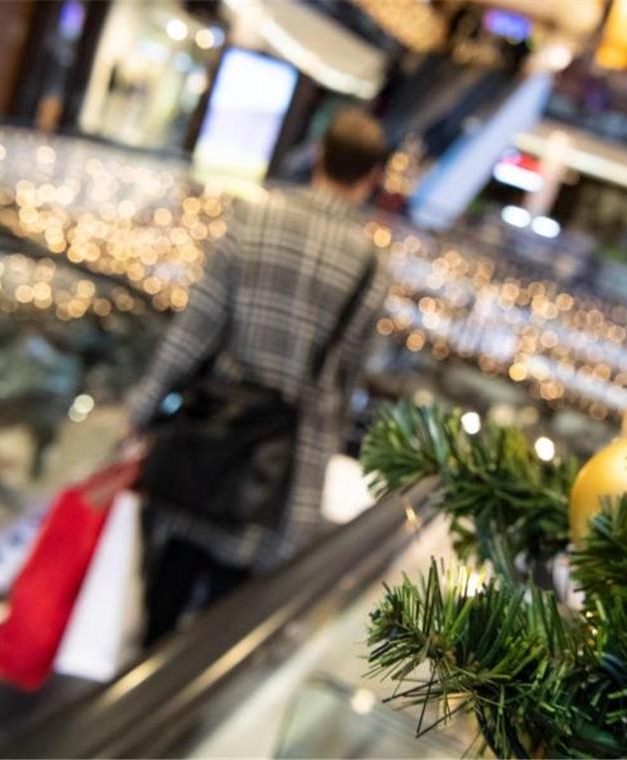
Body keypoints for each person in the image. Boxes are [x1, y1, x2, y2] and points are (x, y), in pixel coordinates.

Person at [125, 109, 390, 645]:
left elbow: (194, 331)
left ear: (318, 156)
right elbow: (348, 380)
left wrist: (144, 406)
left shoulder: (252, 221)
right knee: (229, 616)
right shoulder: (369, 266)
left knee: (168, 583)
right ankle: (186, 718)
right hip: (286, 469)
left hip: (211, 440)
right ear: (371, 177)